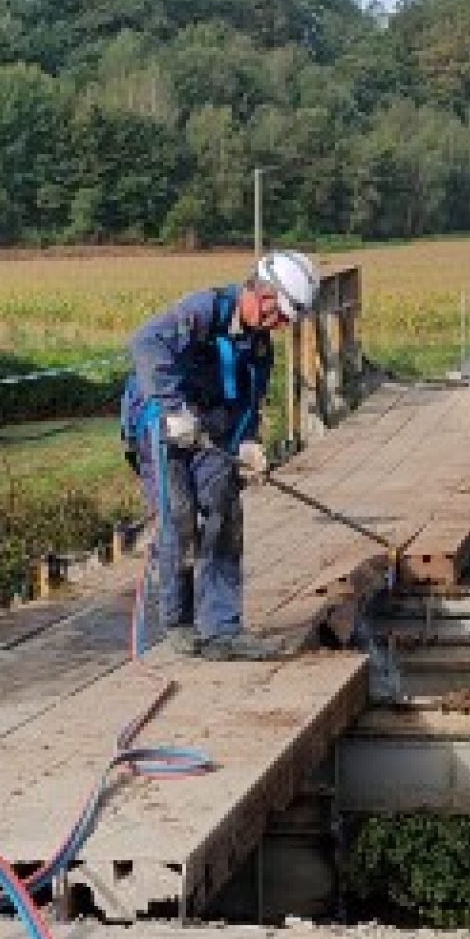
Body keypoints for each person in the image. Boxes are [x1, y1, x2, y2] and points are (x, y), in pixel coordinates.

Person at [121, 250, 320, 660]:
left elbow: (248, 398)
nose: (278, 326)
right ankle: (177, 624)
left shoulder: (259, 345)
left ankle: (221, 630)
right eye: (278, 316)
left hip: (212, 430)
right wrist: (173, 409)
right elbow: (145, 342)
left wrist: (248, 442)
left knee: (223, 512)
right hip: (162, 422)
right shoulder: (202, 311)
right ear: (262, 294)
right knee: (179, 516)